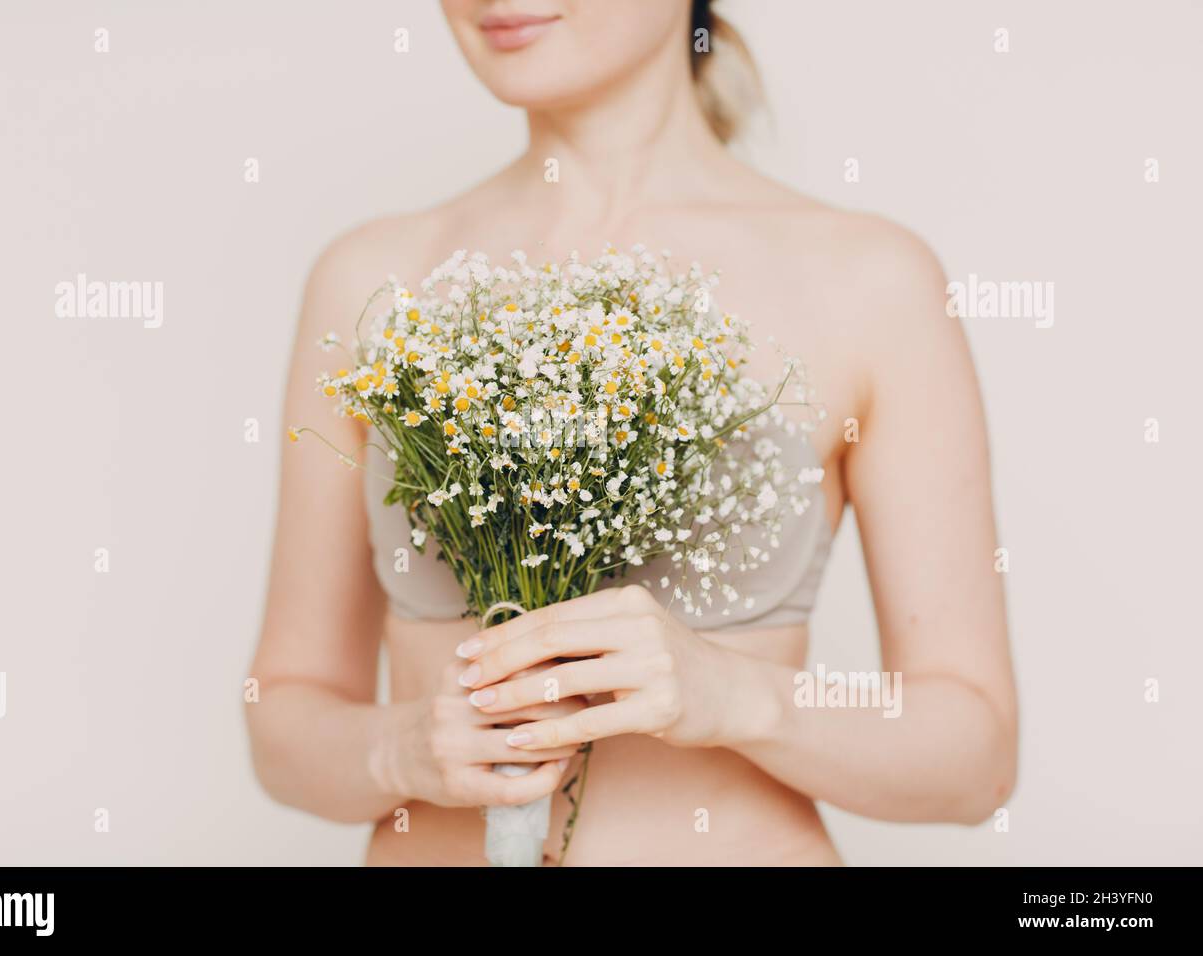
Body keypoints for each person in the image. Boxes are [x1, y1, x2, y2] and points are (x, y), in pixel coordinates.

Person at [246, 0, 1017, 865]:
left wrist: (732, 696)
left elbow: (976, 756)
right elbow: (283, 718)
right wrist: (402, 747)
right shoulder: (371, 277)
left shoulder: (871, 281)